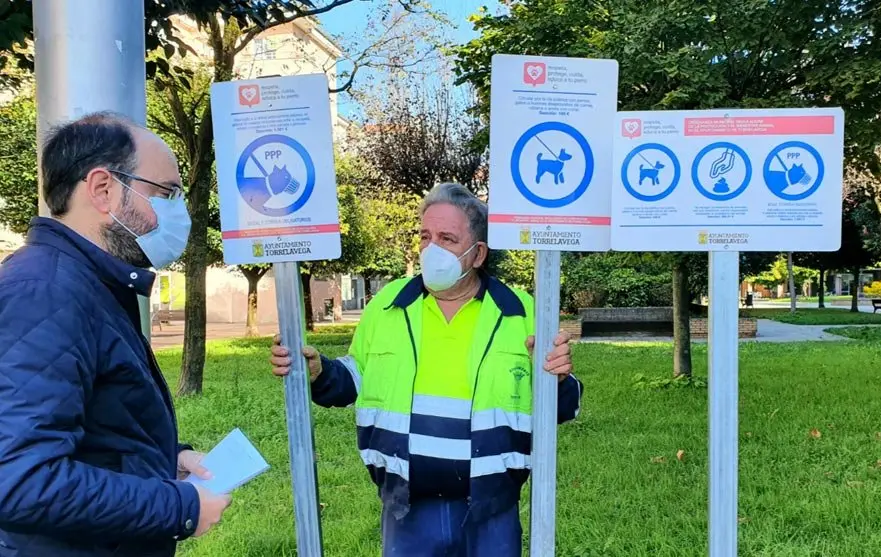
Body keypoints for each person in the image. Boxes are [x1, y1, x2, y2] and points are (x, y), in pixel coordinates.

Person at [270, 183, 582, 556]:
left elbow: (562, 407)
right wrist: (319, 372)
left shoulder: (521, 312)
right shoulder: (387, 305)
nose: (432, 249)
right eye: (425, 236)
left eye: (447, 238)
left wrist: (558, 379)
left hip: (491, 509)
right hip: (407, 510)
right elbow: (353, 379)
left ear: (478, 253)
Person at [0, 112, 231, 556]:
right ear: (103, 189)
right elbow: (19, 479)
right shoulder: (47, 292)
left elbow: (94, 429)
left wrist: (168, 459)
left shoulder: (89, 284)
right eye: (166, 193)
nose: (178, 213)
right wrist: (176, 506)